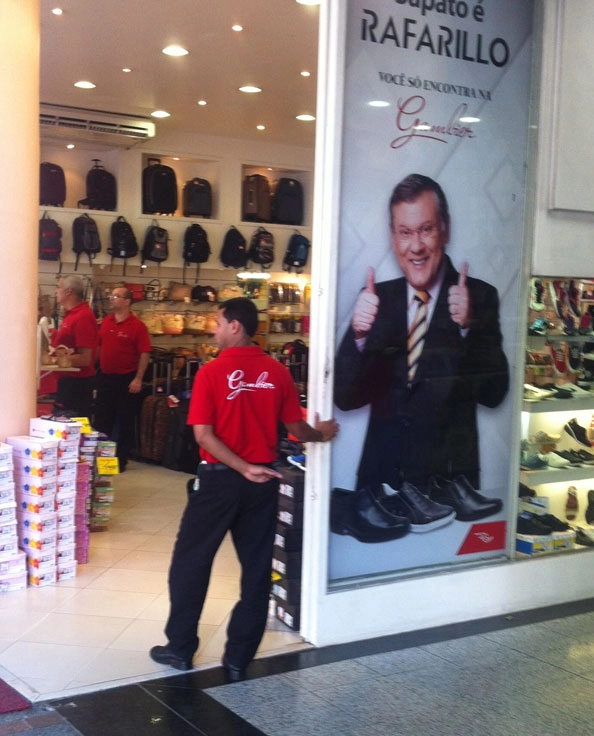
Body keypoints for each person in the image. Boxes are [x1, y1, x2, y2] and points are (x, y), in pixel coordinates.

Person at [150, 297, 339, 679]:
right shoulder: (278, 372)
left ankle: (181, 649)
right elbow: (296, 430)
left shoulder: (210, 373)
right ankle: (238, 657)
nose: (213, 330)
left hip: (221, 481)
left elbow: (204, 435)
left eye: (217, 323)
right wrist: (322, 434)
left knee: (190, 562)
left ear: (235, 326)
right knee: (256, 569)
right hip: (263, 483)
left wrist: (241, 466)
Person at [334, 173, 509, 500]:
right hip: (380, 486)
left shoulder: (480, 296)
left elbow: (494, 394)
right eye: (405, 232)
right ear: (392, 236)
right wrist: (358, 336)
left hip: (448, 490)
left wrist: (467, 328)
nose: (415, 246)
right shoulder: (376, 299)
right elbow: (345, 398)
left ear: (446, 229)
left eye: (426, 229)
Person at [94, 287, 152, 472]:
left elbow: (144, 354)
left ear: (127, 301)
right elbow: (100, 347)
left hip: (127, 379)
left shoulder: (137, 326)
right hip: (106, 377)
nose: (111, 298)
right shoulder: (106, 322)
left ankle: (121, 459)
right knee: (103, 419)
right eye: (111, 295)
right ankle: (101, 458)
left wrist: (138, 378)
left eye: (116, 296)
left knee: (125, 420)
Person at [52, 274, 98, 419]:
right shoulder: (71, 315)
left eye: (58, 287)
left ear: (69, 292)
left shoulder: (82, 317)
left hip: (77, 385)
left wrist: (56, 360)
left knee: (74, 430)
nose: (55, 291)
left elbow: (85, 358)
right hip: (68, 382)